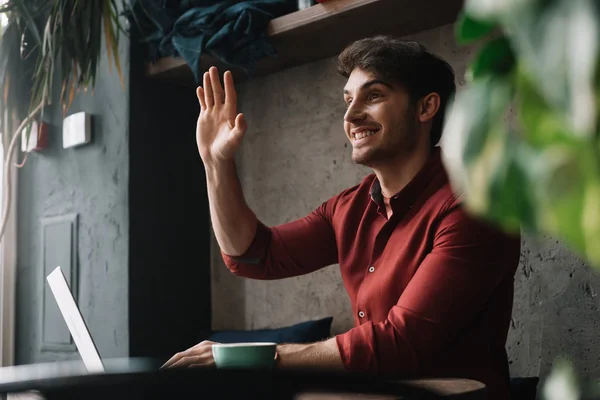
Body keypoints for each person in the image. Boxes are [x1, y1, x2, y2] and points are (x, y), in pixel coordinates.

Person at [163, 36, 521, 400]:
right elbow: (253, 255)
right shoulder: (350, 208)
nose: (351, 116)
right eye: (348, 100)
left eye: (374, 96)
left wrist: (259, 357)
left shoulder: (476, 206)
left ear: (426, 107)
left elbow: (402, 342)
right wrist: (216, 163)